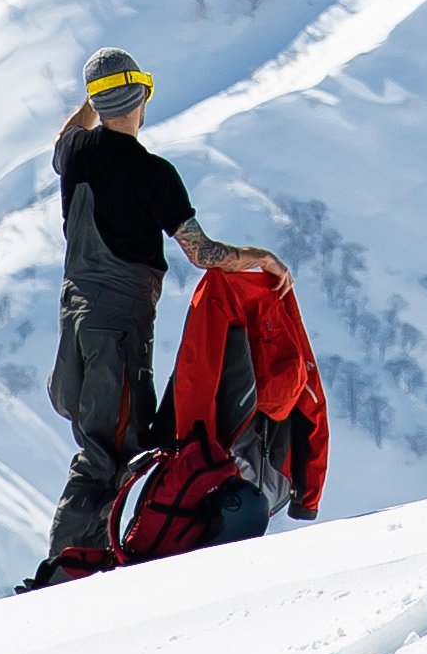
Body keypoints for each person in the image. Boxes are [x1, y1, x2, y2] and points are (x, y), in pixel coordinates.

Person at [22, 48, 285, 588]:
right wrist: (258, 256)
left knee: (107, 445)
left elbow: (63, 135)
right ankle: (61, 575)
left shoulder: (74, 153)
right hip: (116, 334)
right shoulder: (153, 173)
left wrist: (92, 97)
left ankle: (84, 564)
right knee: (105, 456)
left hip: (74, 327)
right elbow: (201, 251)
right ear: (141, 97)